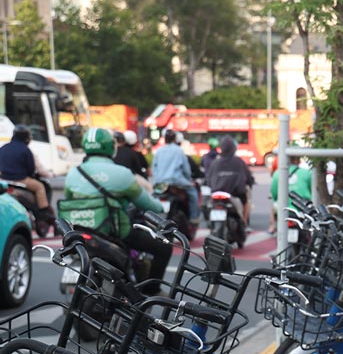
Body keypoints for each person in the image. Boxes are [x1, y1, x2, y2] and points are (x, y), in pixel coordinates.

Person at [63, 127, 171, 294]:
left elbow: (69, 199)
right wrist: (160, 206)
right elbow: (147, 203)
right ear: (110, 147)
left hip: (80, 232)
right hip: (115, 233)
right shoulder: (122, 174)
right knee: (164, 248)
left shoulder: (73, 173)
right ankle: (152, 291)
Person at [0, 124, 53, 221]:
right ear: (26, 137)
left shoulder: (3, 148)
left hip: (4, 179)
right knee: (40, 187)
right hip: (21, 180)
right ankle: (44, 212)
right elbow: (31, 169)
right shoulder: (26, 150)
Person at [152, 129, 200, 223]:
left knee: (153, 196)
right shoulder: (178, 150)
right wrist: (189, 180)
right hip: (176, 181)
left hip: (160, 183)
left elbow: (154, 167)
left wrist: (157, 179)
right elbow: (186, 169)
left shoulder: (159, 151)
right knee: (193, 193)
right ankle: (194, 218)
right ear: (175, 139)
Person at [205, 135, 254, 225]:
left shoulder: (215, 162)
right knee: (247, 198)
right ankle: (244, 222)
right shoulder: (239, 162)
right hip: (235, 194)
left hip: (216, 193)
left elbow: (208, 179)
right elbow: (248, 177)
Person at [269, 154, 312, 234]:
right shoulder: (307, 173)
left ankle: (272, 227)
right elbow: (312, 191)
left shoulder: (277, 173)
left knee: (274, 207)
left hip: (284, 209)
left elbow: (274, 194)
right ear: (298, 160)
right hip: (303, 209)